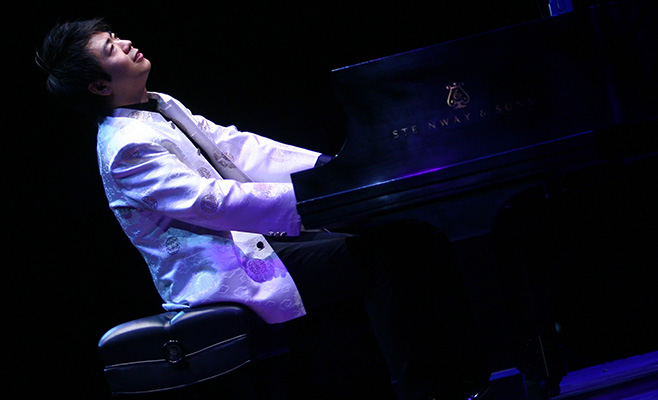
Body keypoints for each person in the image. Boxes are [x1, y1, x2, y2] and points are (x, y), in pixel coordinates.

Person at [36, 19, 485, 399]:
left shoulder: (159, 106)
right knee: (387, 256)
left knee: (410, 233)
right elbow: (210, 202)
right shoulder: (126, 147)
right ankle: (428, 390)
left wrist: (330, 169)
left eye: (116, 36)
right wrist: (311, 196)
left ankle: (459, 379)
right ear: (99, 85)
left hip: (255, 242)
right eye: (112, 48)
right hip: (220, 269)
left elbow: (236, 147)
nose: (126, 43)